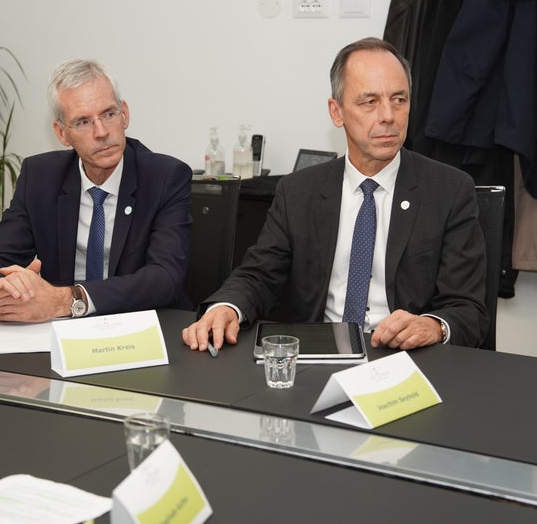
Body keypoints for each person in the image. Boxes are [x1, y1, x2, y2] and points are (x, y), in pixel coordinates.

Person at [183, 37, 488, 352]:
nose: (388, 115)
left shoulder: (449, 190)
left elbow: (468, 309)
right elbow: (260, 275)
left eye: (399, 99)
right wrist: (227, 307)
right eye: (369, 102)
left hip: (405, 358)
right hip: (317, 352)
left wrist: (434, 325)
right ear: (336, 111)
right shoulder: (298, 191)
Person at [0, 59, 192, 322]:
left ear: (125, 114)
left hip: (138, 324)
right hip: (60, 329)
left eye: (109, 114)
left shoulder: (165, 177)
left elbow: (165, 278)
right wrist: (5, 291)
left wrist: (67, 300)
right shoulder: (39, 177)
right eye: (83, 122)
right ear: (62, 133)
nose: (101, 132)